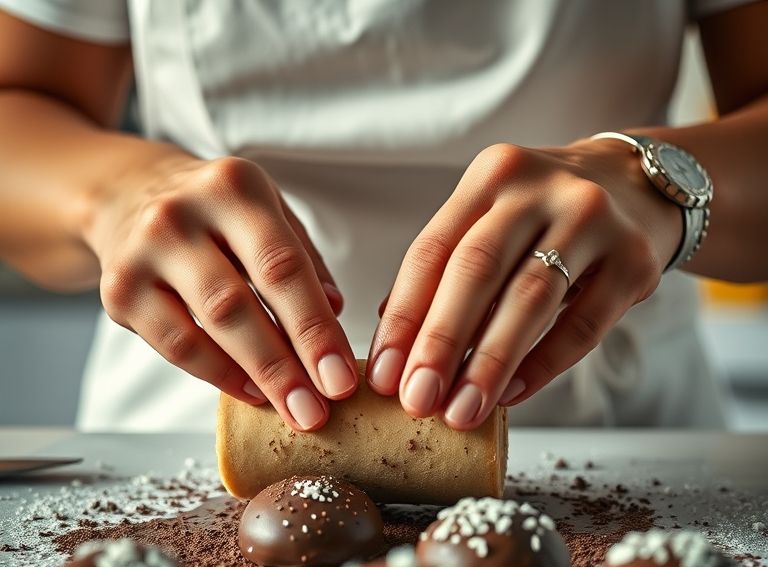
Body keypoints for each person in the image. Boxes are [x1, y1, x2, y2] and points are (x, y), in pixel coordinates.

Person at [0, 1, 766, 433]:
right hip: (192, 427)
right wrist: (118, 194)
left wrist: (652, 184)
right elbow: (21, 106)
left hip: (618, 430)